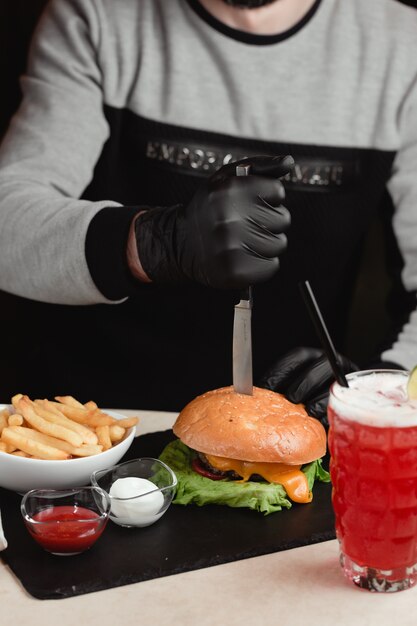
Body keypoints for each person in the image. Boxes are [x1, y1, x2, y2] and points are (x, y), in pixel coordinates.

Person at [0, 0, 416, 421]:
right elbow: (6, 227)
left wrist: (386, 394)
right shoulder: (98, 15)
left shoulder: (402, 45)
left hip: (290, 443)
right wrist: (150, 242)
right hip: (93, 432)